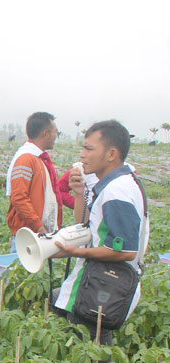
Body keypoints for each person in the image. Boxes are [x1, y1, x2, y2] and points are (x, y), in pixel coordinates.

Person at [52, 120, 149, 345]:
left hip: (103, 287)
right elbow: (87, 224)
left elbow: (125, 251)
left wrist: (75, 252)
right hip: (98, 284)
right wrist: (78, 193)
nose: (82, 155)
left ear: (111, 153)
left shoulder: (117, 192)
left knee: (90, 354)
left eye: (88, 148)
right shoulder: (113, 184)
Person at [5, 112, 61, 253]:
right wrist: (39, 227)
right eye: (55, 132)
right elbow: (19, 198)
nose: (56, 136)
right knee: (21, 273)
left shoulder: (38, 158)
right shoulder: (26, 159)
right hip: (29, 235)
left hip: (37, 233)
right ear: (45, 134)